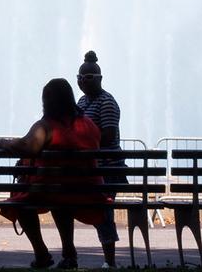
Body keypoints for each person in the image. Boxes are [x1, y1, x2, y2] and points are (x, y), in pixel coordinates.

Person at [0, 78, 106, 269]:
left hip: (54, 191)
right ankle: (69, 254)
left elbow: (28, 146)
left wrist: (3, 142)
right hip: (88, 192)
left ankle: (41, 254)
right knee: (61, 199)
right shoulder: (89, 125)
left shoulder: (46, 125)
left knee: (21, 202)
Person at [75, 52, 122, 267]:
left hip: (107, 169)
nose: (83, 82)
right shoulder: (82, 102)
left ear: (100, 78)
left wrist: (83, 141)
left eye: (88, 78)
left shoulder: (107, 102)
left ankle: (110, 261)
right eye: (80, 78)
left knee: (104, 213)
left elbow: (109, 135)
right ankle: (69, 254)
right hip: (89, 169)